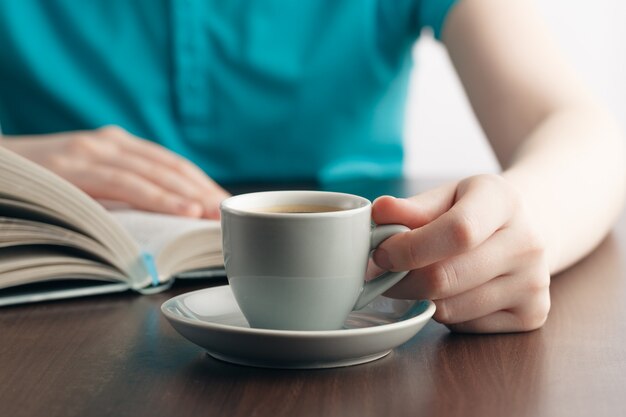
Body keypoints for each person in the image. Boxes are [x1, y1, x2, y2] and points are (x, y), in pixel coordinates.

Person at [0, 0, 623, 333]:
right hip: (48, 313)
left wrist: (520, 220)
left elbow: (585, 132)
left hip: (357, 299)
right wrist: (14, 165)